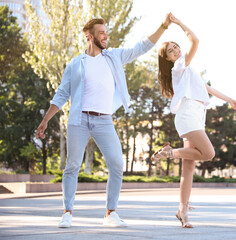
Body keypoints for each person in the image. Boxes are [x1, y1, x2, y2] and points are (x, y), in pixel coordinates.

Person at [35, 15, 172, 228]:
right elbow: (62, 93)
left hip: (104, 120)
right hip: (79, 119)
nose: (106, 35)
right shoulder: (75, 64)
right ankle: (67, 212)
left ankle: (110, 213)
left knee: (117, 164)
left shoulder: (114, 57)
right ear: (89, 36)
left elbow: (141, 47)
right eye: (101, 33)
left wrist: (163, 26)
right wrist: (45, 120)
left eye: (106, 32)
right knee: (72, 166)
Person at [152, 14, 236, 228]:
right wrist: (180, 23)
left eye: (176, 47)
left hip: (195, 116)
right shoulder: (180, 66)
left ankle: (182, 211)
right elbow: (196, 41)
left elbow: (205, 88)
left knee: (189, 168)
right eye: (170, 51)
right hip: (189, 116)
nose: (176, 51)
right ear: (168, 59)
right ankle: (169, 153)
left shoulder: (186, 70)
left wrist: (228, 99)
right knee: (209, 153)